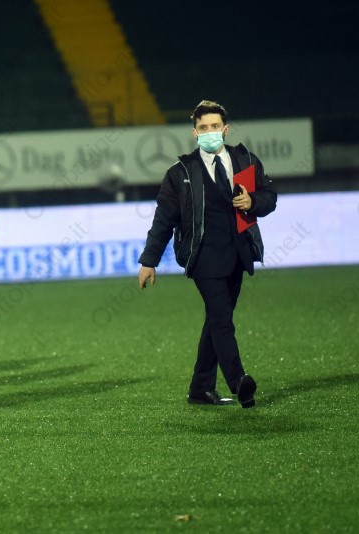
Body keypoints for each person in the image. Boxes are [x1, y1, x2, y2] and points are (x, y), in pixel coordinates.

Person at [137, 100, 277, 408]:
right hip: (202, 257)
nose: (209, 132)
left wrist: (252, 202)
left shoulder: (246, 160)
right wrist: (149, 261)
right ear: (194, 132)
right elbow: (163, 220)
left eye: (215, 126)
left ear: (225, 129)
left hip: (238, 253)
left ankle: (200, 389)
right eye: (203, 127)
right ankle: (239, 381)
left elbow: (270, 197)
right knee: (222, 319)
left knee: (216, 319)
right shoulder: (180, 173)